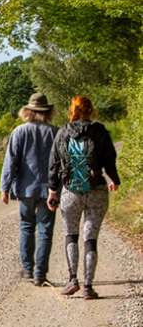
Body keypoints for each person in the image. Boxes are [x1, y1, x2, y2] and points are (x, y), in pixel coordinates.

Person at [48, 96, 120, 300]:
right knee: (91, 237)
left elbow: (53, 164)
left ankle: (72, 280)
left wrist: (52, 191)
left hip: (70, 191)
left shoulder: (62, 133)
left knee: (71, 234)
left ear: (72, 110)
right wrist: (114, 179)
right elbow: (110, 159)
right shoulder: (99, 132)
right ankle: (88, 286)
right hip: (96, 190)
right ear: (91, 110)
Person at [1, 93, 59, 287]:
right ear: (48, 112)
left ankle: (27, 270)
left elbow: (11, 161)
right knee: (45, 230)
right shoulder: (56, 132)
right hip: (50, 190)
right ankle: (40, 273)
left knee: (26, 226)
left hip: (26, 189)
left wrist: (5, 187)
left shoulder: (19, 131)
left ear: (27, 111)